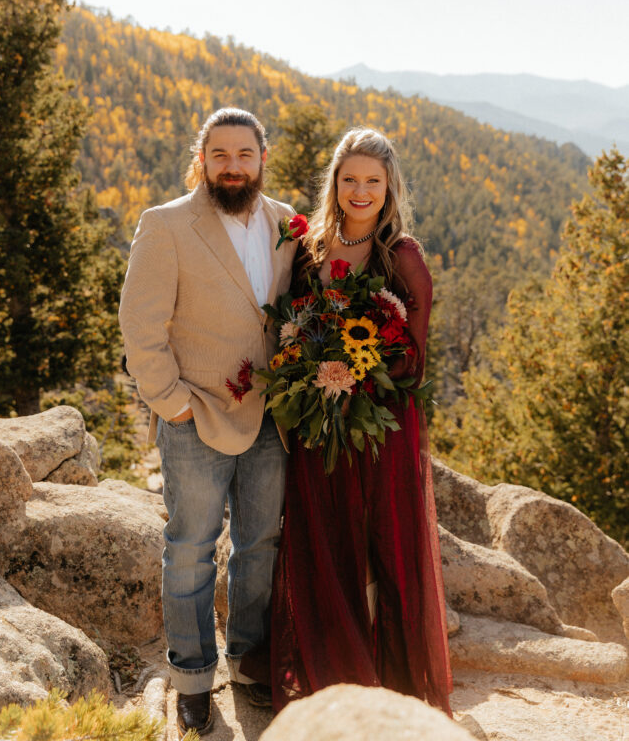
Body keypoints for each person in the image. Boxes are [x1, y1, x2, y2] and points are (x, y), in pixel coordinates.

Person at [119, 108, 296, 739]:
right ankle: (193, 679)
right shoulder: (166, 224)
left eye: (243, 154)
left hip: (272, 415)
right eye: (219, 154)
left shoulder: (287, 223)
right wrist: (172, 403)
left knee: (259, 546)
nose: (232, 165)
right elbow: (141, 326)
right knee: (191, 551)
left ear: (260, 160)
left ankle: (249, 665)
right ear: (202, 159)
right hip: (195, 413)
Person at [265, 127, 453, 714]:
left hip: (381, 427)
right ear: (335, 184)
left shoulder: (404, 257)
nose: (361, 190)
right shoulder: (311, 248)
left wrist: (357, 374)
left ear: (389, 186)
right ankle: (330, 670)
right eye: (350, 179)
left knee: (383, 548)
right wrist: (309, 375)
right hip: (318, 427)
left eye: (373, 180)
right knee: (322, 538)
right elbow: (290, 325)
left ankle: (394, 683)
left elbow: (415, 358)